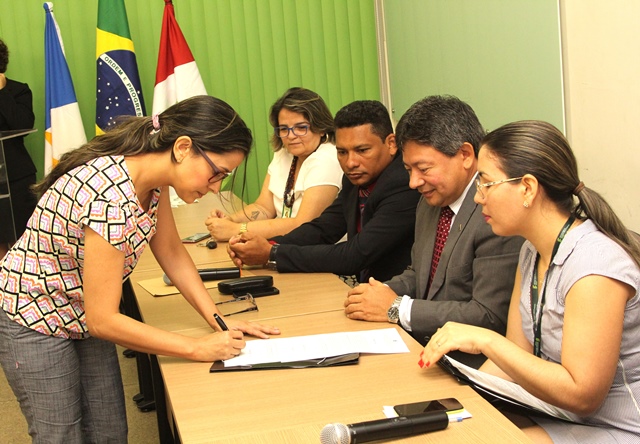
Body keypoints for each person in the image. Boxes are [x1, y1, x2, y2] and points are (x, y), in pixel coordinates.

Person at [0, 96, 280, 443]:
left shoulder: (152, 180)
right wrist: (196, 347)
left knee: (109, 432)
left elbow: (171, 251)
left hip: (81, 309)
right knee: (61, 435)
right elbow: (103, 319)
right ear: (182, 148)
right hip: (33, 315)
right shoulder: (110, 198)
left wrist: (217, 320)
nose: (215, 187)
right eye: (216, 173)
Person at [421, 120, 640, 443]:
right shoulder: (531, 250)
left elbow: (583, 395)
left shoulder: (595, 265)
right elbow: (516, 363)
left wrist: (487, 342)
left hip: (617, 426)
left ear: (527, 188)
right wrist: (461, 401)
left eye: (486, 183)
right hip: (555, 411)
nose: (478, 198)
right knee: (453, 431)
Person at [344, 95, 523, 368]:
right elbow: (421, 274)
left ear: (465, 155)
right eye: (408, 169)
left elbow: (488, 315)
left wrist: (397, 308)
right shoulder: (431, 201)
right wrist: (377, 293)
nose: (414, 182)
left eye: (424, 168)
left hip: (475, 369)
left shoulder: (495, 211)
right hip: (424, 349)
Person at [227, 100, 420, 283]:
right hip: (365, 291)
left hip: (398, 299)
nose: (351, 162)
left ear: (391, 143)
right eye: (342, 152)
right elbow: (324, 228)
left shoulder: (404, 183)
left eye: (362, 150)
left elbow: (355, 255)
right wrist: (265, 245)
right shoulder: (357, 176)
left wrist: (272, 254)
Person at [205, 87, 342, 241]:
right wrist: (229, 221)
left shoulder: (327, 159)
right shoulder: (284, 153)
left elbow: (303, 225)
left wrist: (237, 229)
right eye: (284, 129)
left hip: (316, 254)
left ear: (321, 128)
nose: (291, 136)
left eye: (301, 127)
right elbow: (263, 208)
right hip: (287, 247)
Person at [0, 38, 37, 259]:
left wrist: (2, 93)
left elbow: (23, 125)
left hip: (15, 179)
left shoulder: (18, 90)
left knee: (22, 241)